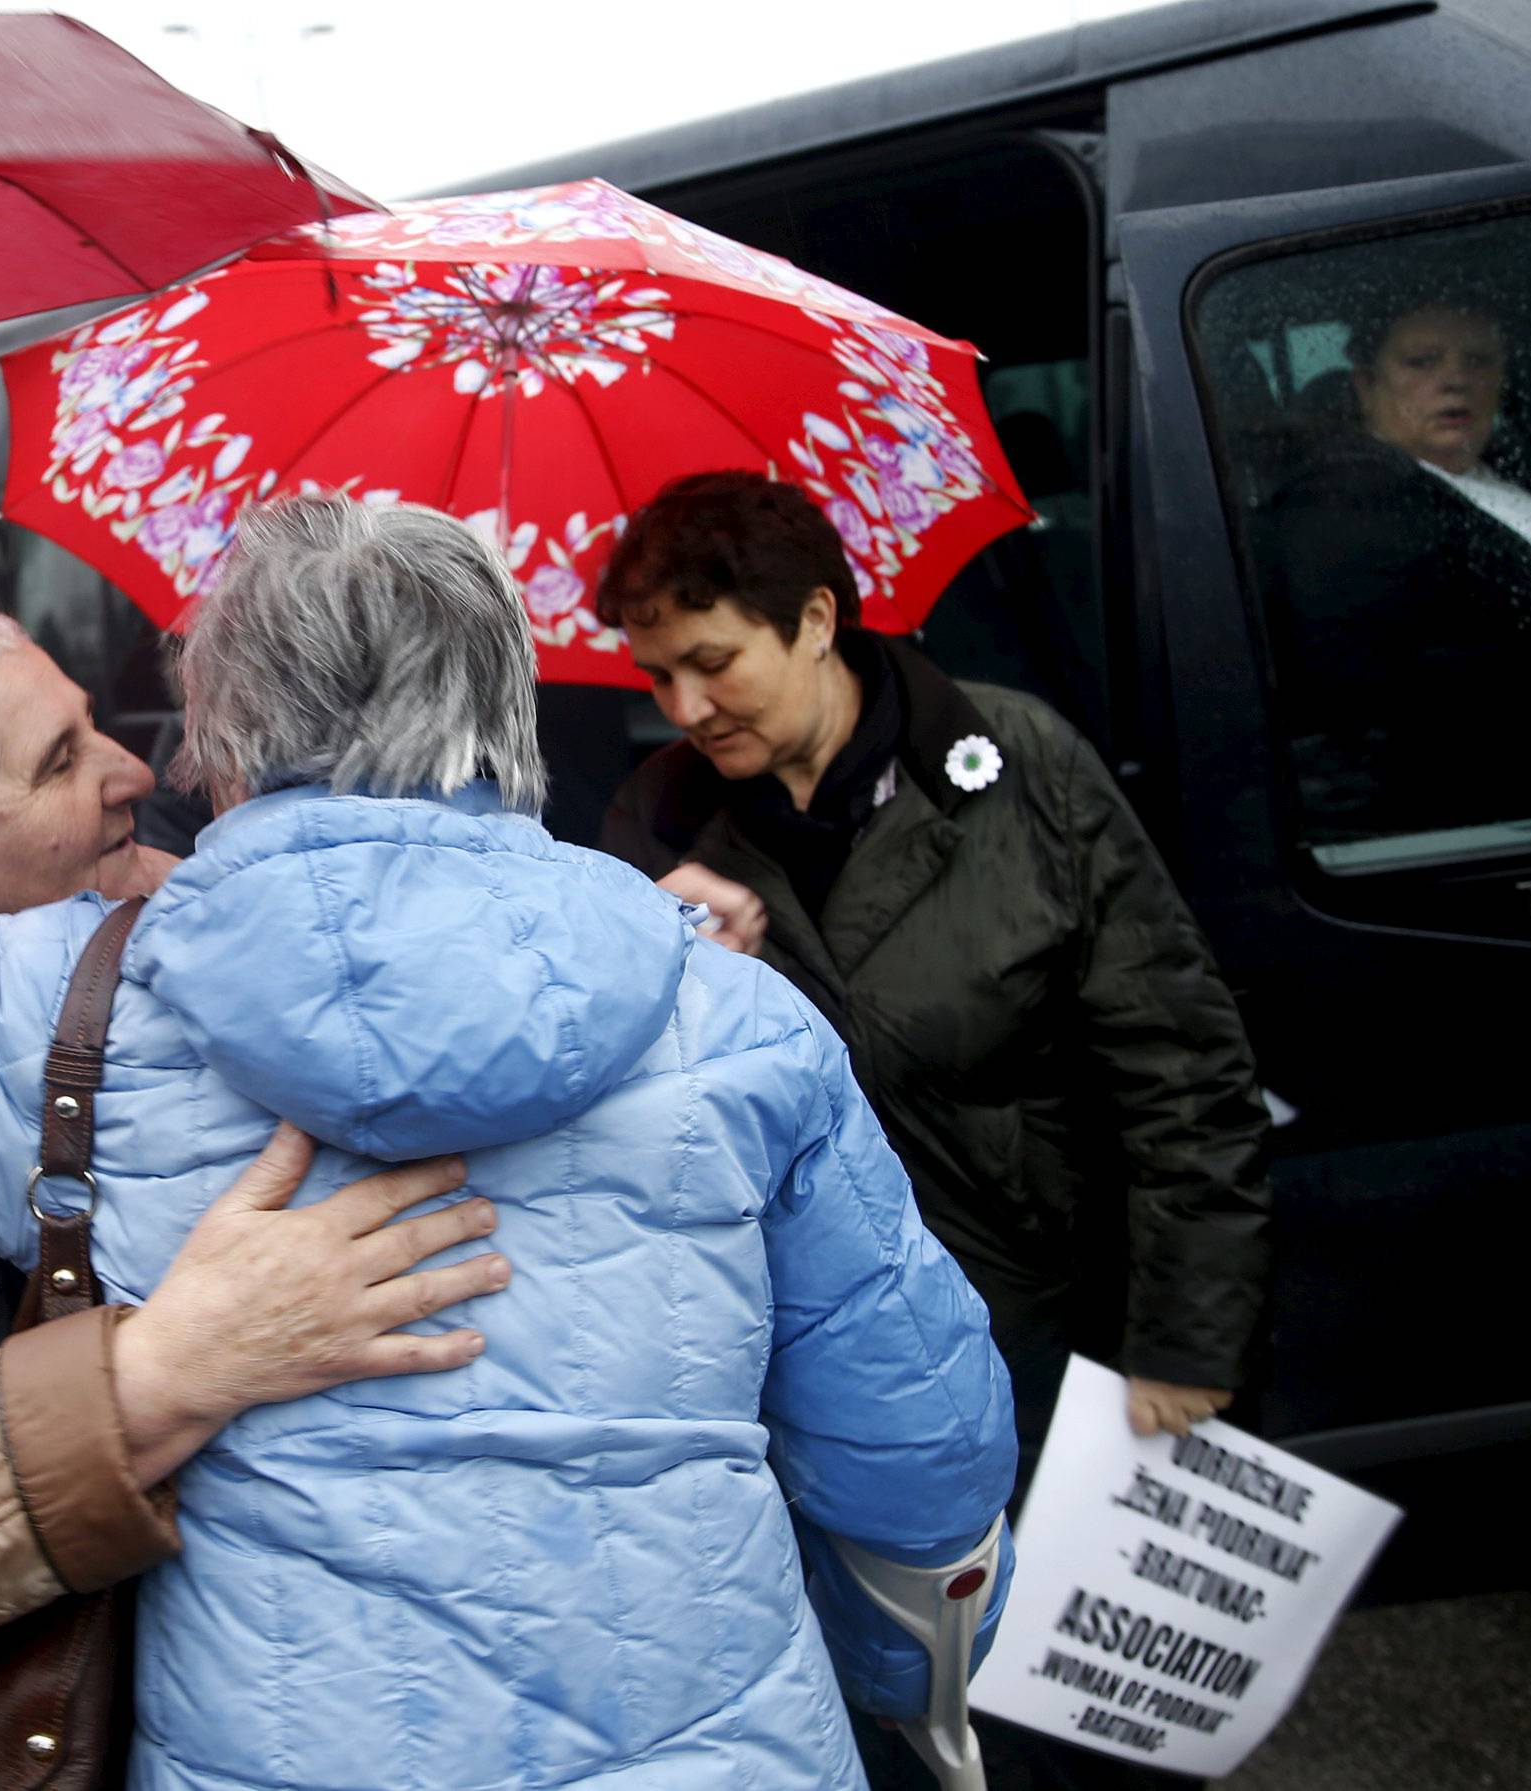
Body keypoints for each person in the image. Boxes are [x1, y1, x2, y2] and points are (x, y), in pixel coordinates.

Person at [0, 496, 1016, 1790]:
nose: (123, 770)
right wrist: (900, 1682)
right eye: (59, 758)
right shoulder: (729, 1008)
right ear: (510, 700)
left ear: (222, 730)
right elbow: (924, 1448)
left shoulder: (60, 1006)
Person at [596, 471, 1272, 1785]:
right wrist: (675, 980)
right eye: (655, 675)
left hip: (1055, 1337)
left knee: (1085, 1728)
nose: (681, 708)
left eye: (711, 662)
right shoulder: (658, 825)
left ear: (816, 618)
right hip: (822, 1369)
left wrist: (1184, 1341)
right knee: (892, 1721)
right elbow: (637, 1135)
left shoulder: (1016, 765)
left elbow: (1183, 1069)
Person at [0, 608, 511, 1789]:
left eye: (94, 726)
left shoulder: (173, 932)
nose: (135, 769)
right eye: (59, 760)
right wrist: (176, 1366)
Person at [1262, 294, 1531, 835]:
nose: (1455, 380)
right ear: (1364, 383)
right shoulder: (1346, 501)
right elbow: (1371, 698)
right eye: (1422, 362)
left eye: (1478, 361)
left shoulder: (1516, 465)